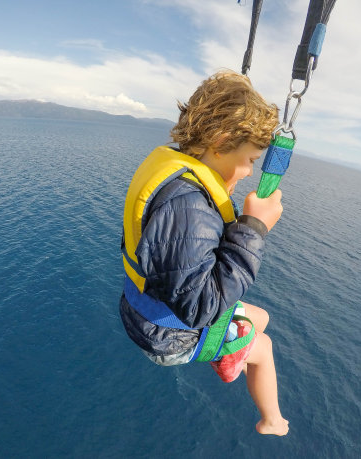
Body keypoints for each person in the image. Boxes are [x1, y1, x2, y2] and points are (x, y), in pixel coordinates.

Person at [119, 70, 289, 436]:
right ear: (221, 140)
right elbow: (199, 309)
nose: (248, 172)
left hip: (147, 308)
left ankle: (228, 358)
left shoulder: (180, 176)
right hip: (165, 336)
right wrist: (253, 230)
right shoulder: (189, 208)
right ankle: (271, 421)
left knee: (261, 317)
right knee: (264, 346)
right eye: (250, 160)